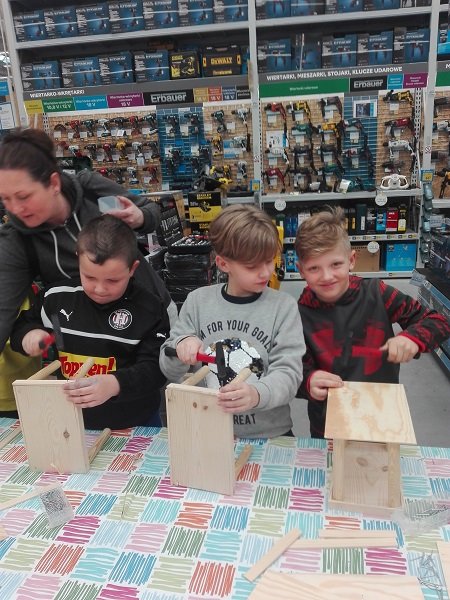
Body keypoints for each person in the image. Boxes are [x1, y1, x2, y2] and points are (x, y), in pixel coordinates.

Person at [0, 127, 176, 359]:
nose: (15, 208)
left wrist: (139, 217)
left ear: (54, 184)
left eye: (24, 196)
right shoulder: (17, 240)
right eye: (5, 198)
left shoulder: (92, 194)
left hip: (152, 321)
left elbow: (150, 211)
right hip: (87, 344)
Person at [294, 207, 450, 438]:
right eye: (314, 268)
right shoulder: (298, 315)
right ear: (300, 270)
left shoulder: (377, 293)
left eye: (335, 264)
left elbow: (438, 321)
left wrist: (413, 339)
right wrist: (308, 381)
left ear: (351, 260)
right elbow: (292, 371)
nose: (327, 276)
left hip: (381, 415)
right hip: (328, 423)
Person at [10, 214, 169, 430]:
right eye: (90, 277)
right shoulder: (55, 297)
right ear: (78, 259)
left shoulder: (149, 308)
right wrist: (29, 335)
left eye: (113, 280)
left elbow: (156, 369)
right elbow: (22, 326)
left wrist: (115, 384)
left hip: (135, 422)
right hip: (73, 420)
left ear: (132, 269)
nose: (100, 289)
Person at [160, 204, 305, 439]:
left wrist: (257, 394)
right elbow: (168, 368)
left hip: (269, 434)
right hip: (207, 432)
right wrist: (181, 346)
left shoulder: (283, 307)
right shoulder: (197, 302)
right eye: (252, 266)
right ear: (223, 264)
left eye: (269, 261)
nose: (265, 272)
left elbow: (290, 373)